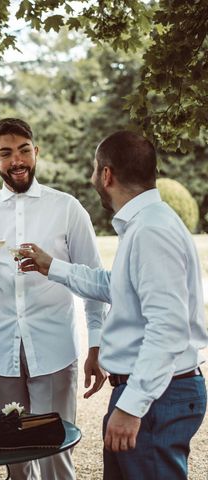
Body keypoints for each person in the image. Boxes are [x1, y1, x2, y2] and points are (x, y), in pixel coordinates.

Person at [22, 130, 208, 480]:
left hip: (155, 397)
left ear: (106, 174)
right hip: (147, 392)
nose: (93, 177)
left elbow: (167, 328)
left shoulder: (151, 231)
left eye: (94, 169)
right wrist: (54, 267)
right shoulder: (145, 223)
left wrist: (133, 406)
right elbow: (118, 287)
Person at [0, 118, 106, 480]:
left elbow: (95, 282)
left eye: (23, 150)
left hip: (54, 349)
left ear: (36, 152)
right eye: (6, 153)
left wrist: (96, 344)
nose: (16, 160)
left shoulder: (67, 208)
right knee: (13, 459)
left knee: (55, 455)